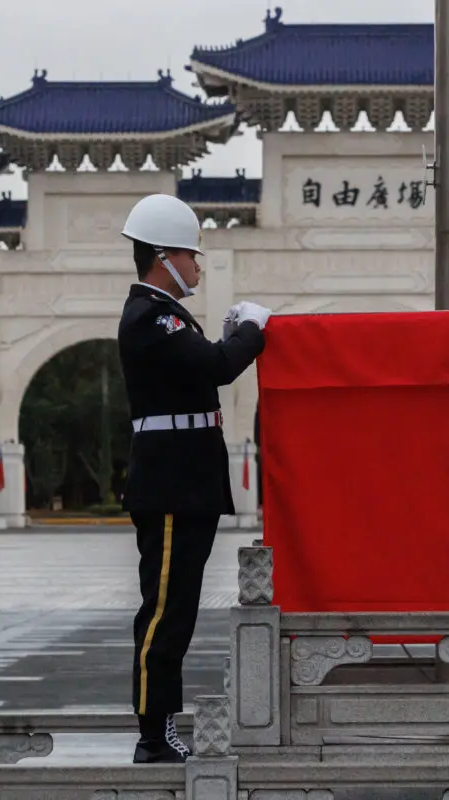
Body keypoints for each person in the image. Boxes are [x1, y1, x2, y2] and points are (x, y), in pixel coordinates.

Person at [117, 193, 271, 764]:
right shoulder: (150, 316)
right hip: (171, 487)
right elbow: (214, 367)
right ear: (163, 256)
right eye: (191, 254)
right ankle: (153, 735)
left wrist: (229, 336)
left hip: (188, 483)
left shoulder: (167, 315)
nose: (198, 266)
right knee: (163, 611)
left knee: (176, 608)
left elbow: (203, 363)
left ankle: (159, 729)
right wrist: (251, 332)